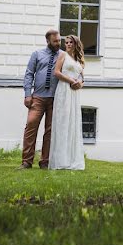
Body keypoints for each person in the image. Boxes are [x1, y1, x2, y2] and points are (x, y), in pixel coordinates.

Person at [20, 29, 80, 169]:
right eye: (55, 41)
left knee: (50, 131)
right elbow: (29, 74)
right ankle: (26, 162)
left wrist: (79, 82)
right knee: (31, 125)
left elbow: (76, 69)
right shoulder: (37, 54)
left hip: (56, 99)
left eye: (59, 40)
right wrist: (28, 94)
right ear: (47, 41)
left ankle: (45, 162)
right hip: (38, 97)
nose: (58, 43)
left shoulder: (64, 55)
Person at [49, 34, 86, 170]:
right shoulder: (62, 55)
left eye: (71, 42)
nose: (68, 44)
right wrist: (71, 81)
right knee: (63, 122)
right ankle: (60, 160)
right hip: (64, 90)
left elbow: (82, 78)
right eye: (67, 42)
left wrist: (80, 84)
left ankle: (72, 159)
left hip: (75, 93)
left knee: (73, 123)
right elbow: (57, 72)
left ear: (76, 44)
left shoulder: (79, 60)